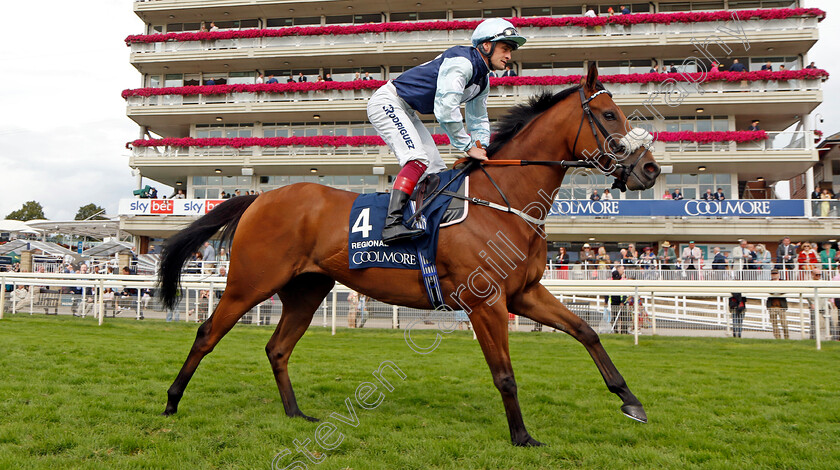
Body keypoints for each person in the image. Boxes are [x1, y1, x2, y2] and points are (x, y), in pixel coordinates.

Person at [366, 18, 526, 244]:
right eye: (506, 48)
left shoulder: (482, 80)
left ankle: (421, 220)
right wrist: (467, 147)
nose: (509, 56)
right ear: (486, 46)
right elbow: (445, 109)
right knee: (417, 159)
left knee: (436, 171)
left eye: (511, 50)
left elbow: (478, 118)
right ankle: (392, 225)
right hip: (387, 102)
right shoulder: (462, 63)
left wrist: (482, 148)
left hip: (407, 109)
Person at [767, 269, 789, 339]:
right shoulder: (768, 283)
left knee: (784, 324)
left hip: (781, 306)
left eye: (775, 273)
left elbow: (786, 290)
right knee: (774, 324)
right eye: (773, 274)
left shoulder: (783, 282)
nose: (774, 275)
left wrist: (779, 292)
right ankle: (777, 338)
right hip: (772, 306)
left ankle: (786, 338)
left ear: (778, 274)